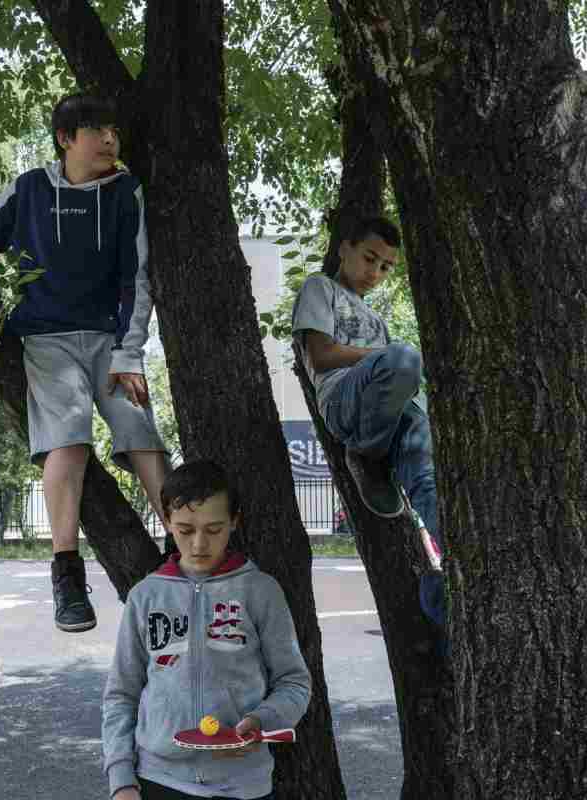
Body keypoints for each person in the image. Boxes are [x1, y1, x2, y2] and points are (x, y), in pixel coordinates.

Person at [0, 92, 170, 632]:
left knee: (139, 431)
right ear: (65, 139)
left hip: (109, 342)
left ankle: (181, 546)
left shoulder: (126, 193)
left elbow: (137, 277)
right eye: (97, 130)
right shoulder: (30, 188)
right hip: (46, 341)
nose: (110, 140)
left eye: (114, 132)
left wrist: (128, 353)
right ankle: (67, 576)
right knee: (69, 439)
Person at [103, 460, 312, 800]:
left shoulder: (260, 591)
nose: (199, 544)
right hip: (157, 780)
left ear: (234, 521)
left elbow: (294, 682)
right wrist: (122, 780)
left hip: (243, 785)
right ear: (167, 521)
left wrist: (263, 720)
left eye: (214, 530)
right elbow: (121, 695)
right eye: (185, 530)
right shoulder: (146, 596)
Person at [289, 217, 446, 630]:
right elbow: (321, 356)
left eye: (386, 267)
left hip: (392, 413)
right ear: (344, 249)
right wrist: (382, 357)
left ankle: (454, 576)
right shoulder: (320, 288)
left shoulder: (376, 319)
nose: (375, 272)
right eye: (369, 258)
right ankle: (364, 452)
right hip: (345, 400)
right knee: (404, 358)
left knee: (428, 483)